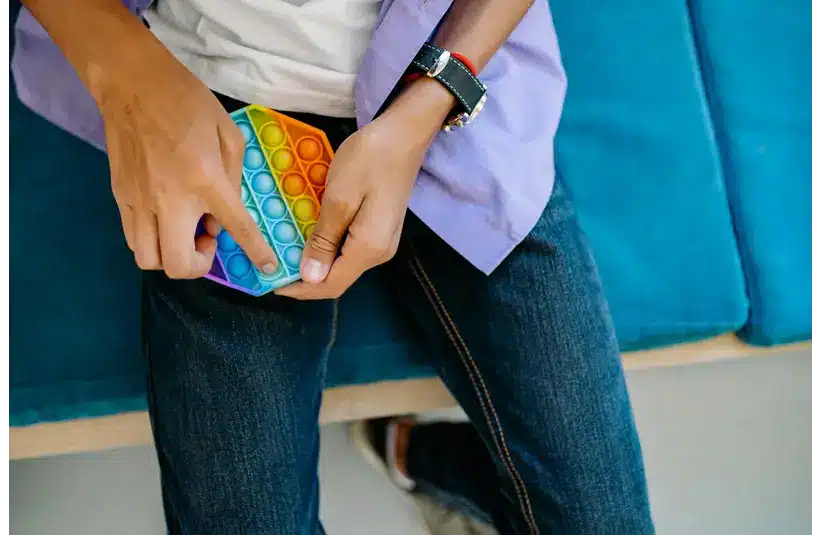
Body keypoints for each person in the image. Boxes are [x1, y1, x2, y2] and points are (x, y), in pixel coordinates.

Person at [13, 0, 655, 533]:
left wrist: (429, 102)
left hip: (446, 96)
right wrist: (132, 82)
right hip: (219, 121)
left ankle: (425, 457)